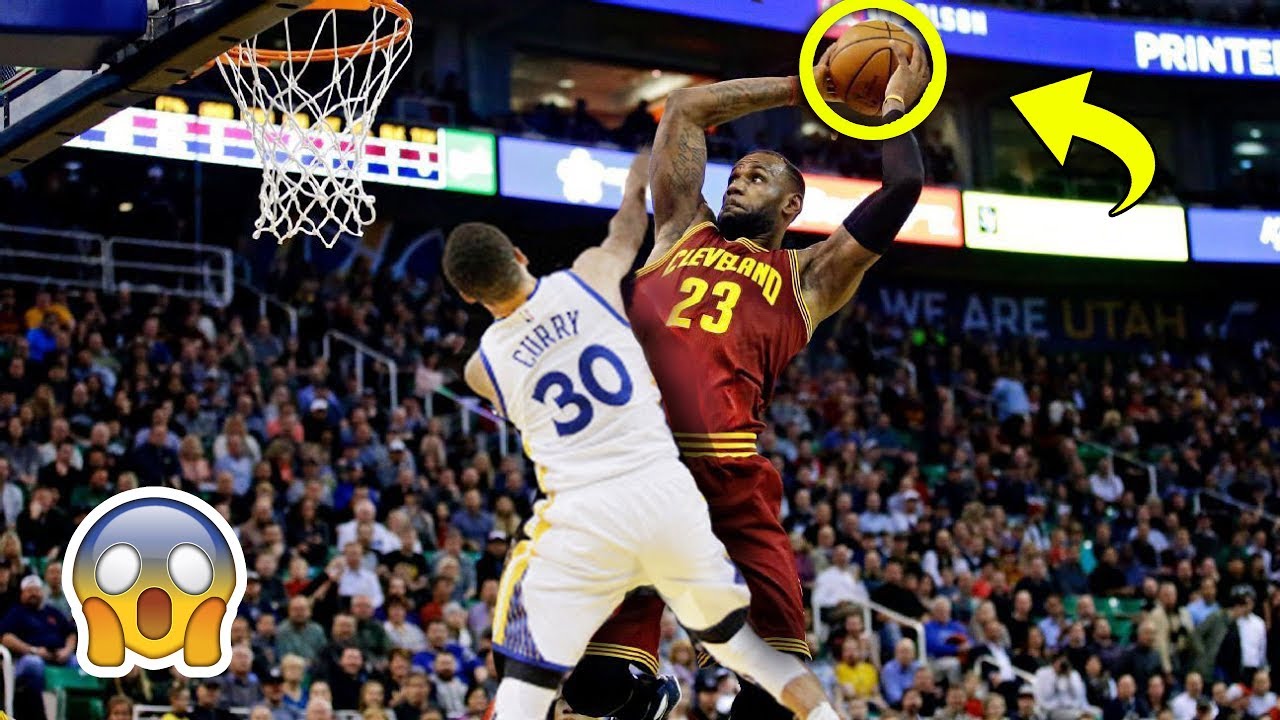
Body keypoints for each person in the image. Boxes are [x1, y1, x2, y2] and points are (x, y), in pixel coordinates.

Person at [566, 38, 932, 720]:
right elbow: (685, 107)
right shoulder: (679, 230)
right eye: (736, 173)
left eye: (758, 177)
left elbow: (903, 188)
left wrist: (892, 109)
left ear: (792, 206)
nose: (737, 180)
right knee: (594, 692)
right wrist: (809, 85)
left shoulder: (810, 277)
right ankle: (643, 697)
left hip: (729, 480)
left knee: (774, 699)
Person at [443, 151, 842, 720]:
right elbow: (628, 222)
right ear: (519, 254)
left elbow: (522, 406)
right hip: (666, 491)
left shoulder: (485, 367)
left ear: (466, 296)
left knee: (539, 679)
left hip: (594, 509)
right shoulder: (593, 280)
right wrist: (635, 179)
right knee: (754, 657)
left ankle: (624, 693)